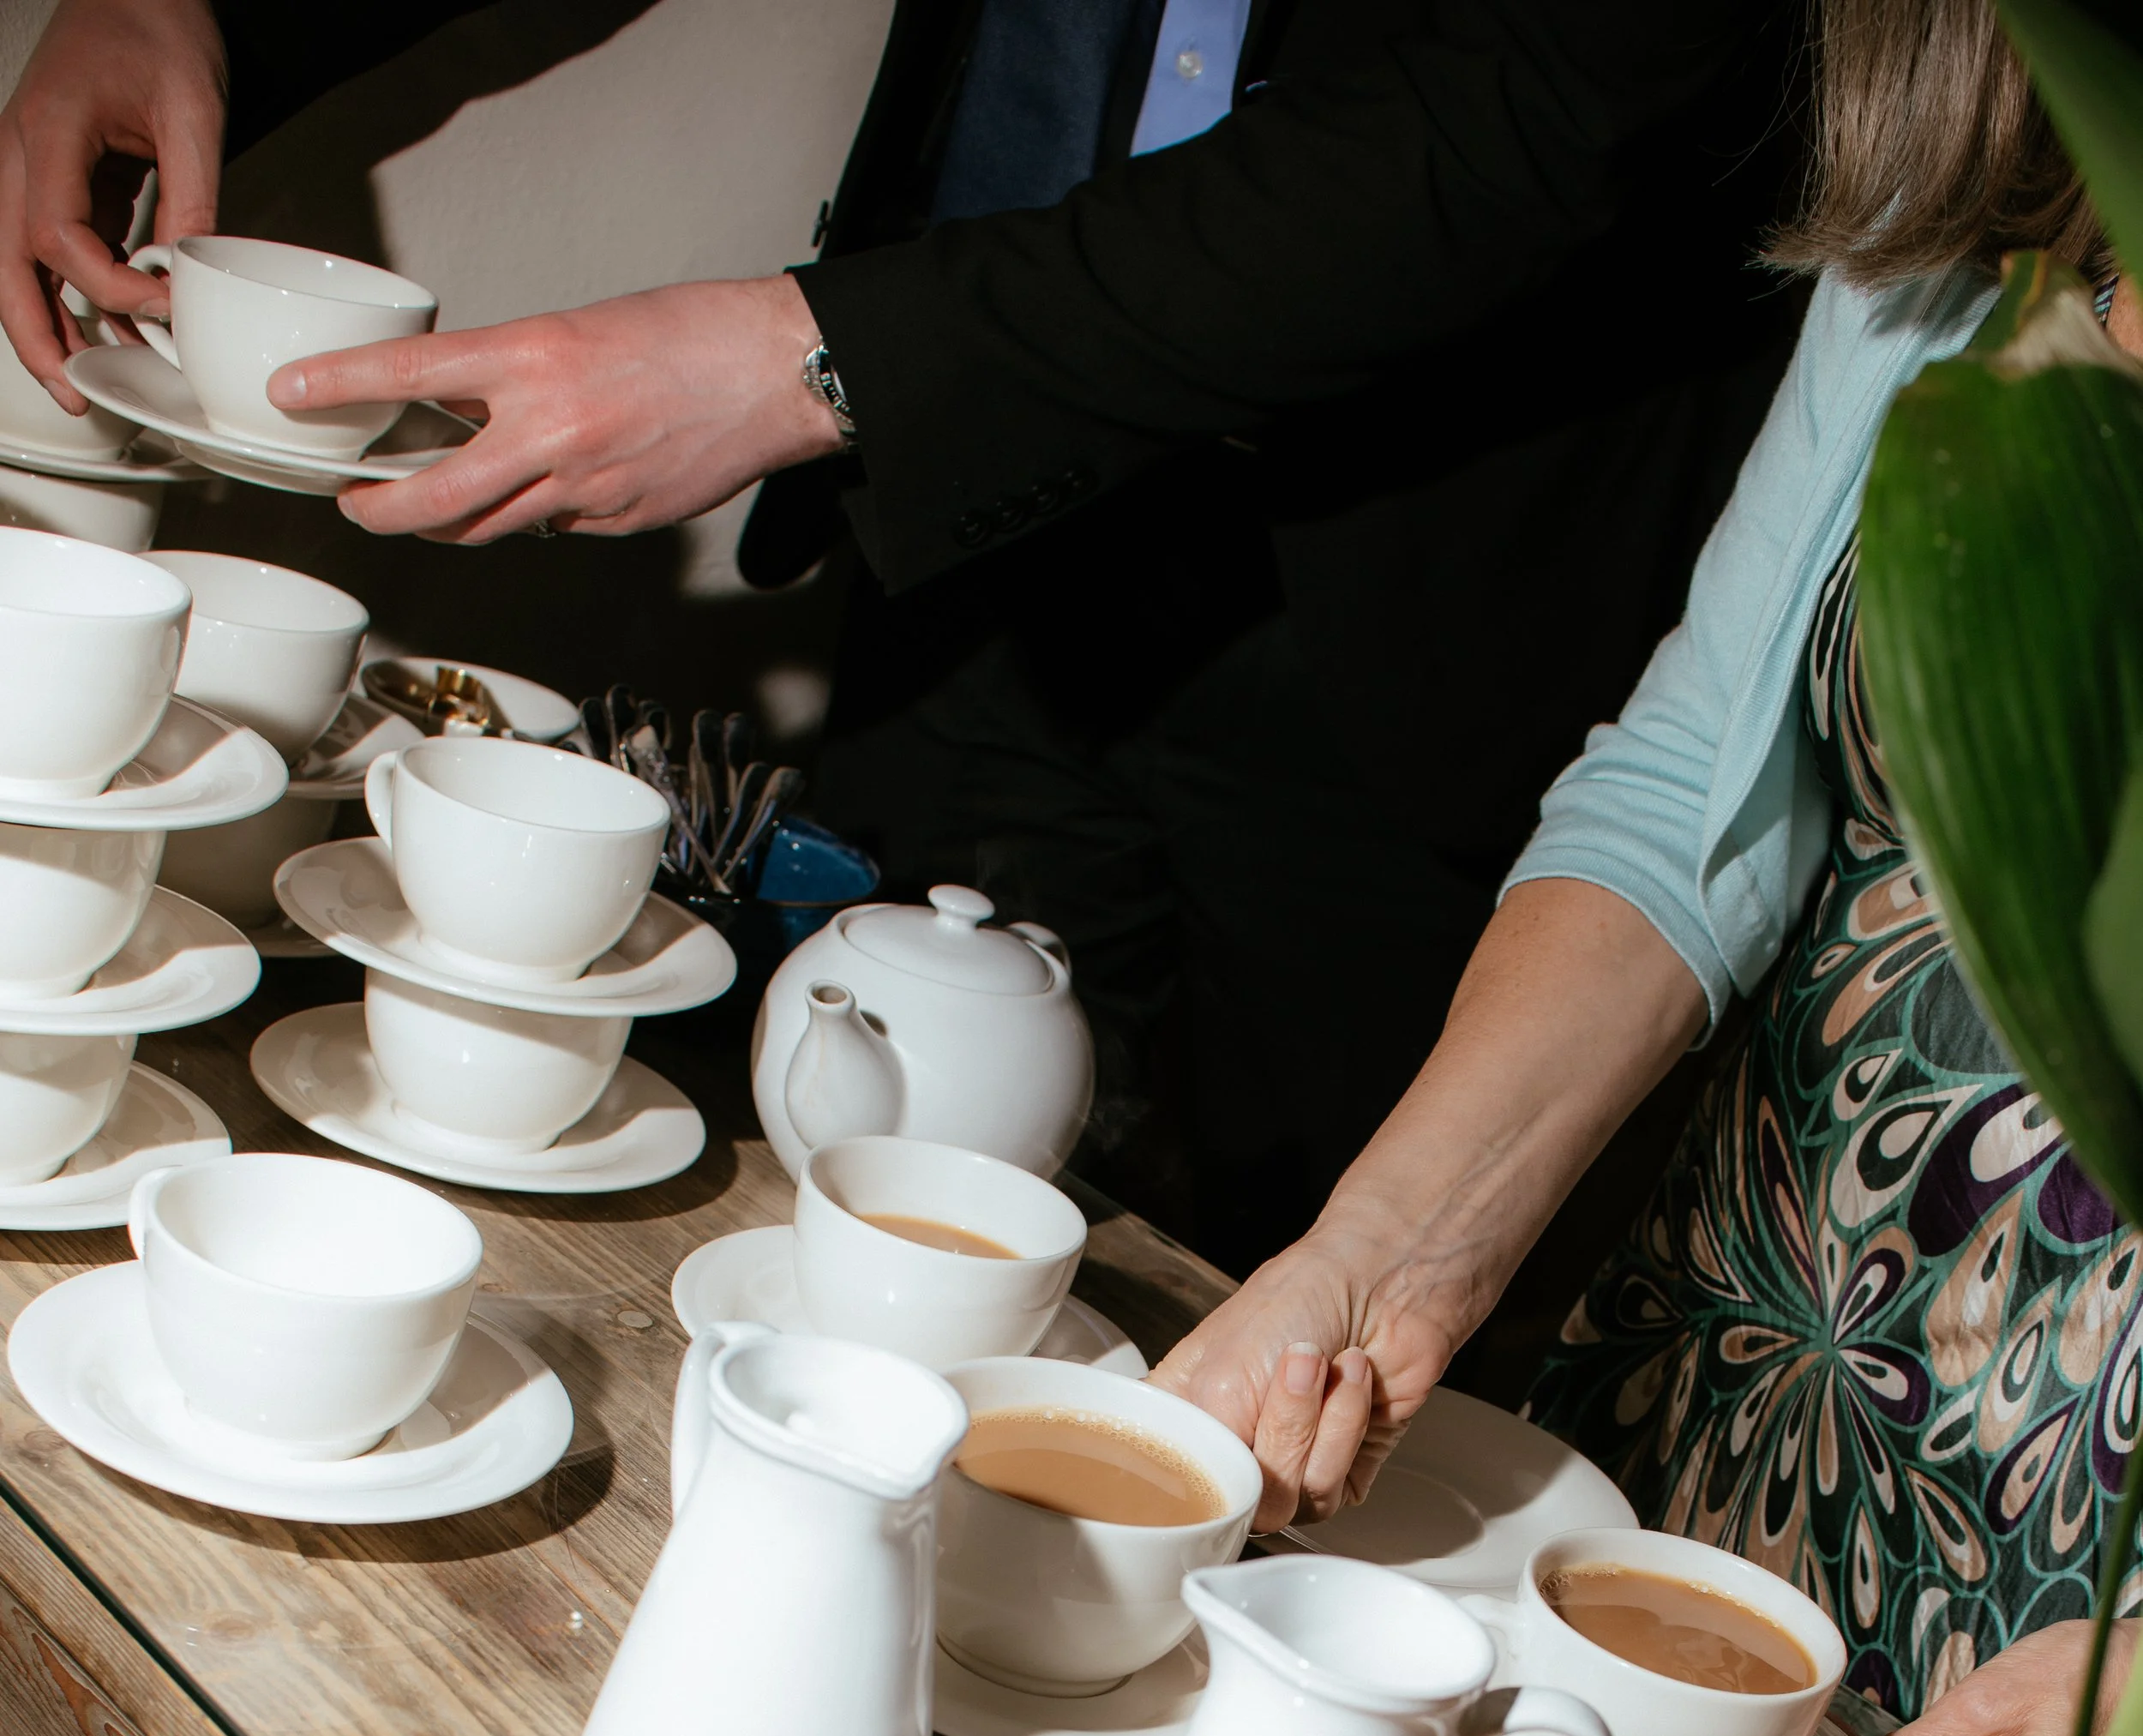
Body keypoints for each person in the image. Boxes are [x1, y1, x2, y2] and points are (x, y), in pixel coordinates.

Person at [0, 0, 1802, 1268]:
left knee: (1264, 1362)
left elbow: (1532, 102)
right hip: (980, 530)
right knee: (820, 1218)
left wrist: (815, 357)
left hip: (1431, 609)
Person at [1155, 0, 2138, 1736]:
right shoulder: (2006, 188)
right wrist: (1388, 1246)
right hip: (1742, 1407)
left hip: (2095, 1599)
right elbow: (1701, 777)